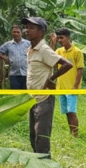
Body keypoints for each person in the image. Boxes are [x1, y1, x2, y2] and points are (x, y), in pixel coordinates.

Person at [22, 16, 72, 157]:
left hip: (44, 98)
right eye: (27, 27)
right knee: (33, 133)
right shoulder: (31, 49)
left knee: (41, 135)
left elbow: (68, 64)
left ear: (41, 31)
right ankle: (37, 162)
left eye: (31, 28)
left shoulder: (43, 49)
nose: (27, 30)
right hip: (33, 98)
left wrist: (51, 78)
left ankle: (45, 165)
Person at [51, 28, 84, 137]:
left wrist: (75, 85)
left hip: (71, 87)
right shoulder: (59, 51)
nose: (60, 40)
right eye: (58, 38)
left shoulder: (77, 52)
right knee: (67, 112)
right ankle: (71, 133)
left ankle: (76, 135)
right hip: (61, 87)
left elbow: (80, 69)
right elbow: (49, 57)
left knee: (72, 112)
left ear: (68, 38)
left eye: (62, 38)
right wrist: (53, 43)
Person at [0, 25, 31, 90]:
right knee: (15, 95)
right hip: (14, 74)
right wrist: (6, 58)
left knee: (26, 95)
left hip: (26, 73)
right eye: (14, 32)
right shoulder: (8, 44)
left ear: (21, 33)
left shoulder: (28, 43)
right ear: (11, 33)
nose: (16, 34)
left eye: (18, 32)